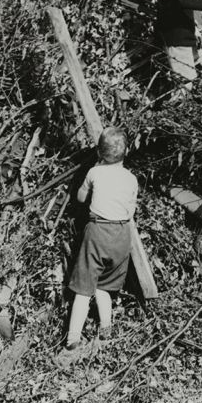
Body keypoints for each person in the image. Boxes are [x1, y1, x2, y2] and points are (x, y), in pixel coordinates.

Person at [61, 127, 139, 361]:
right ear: (126, 152)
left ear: (99, 152)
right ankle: (106, 330)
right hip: (122, 235)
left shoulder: (95, 172)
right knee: (104, 286)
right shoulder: (131, 179)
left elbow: (81, 198)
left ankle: (73, 339)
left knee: (84, 290)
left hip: (98, 232)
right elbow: (131, 210)